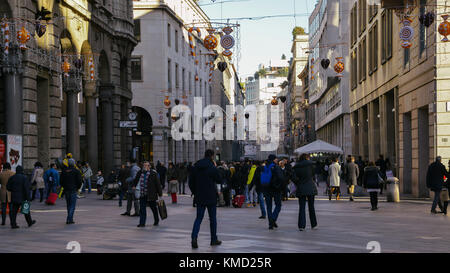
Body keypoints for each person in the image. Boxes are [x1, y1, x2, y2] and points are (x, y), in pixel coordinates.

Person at [189, 149, 222, 249]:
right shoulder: (212, 167)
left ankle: (194, 238)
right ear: (212, 156)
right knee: (212, 219)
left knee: (198, 218)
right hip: (211, 196)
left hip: (199, 196)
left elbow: (191, 182)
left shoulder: (196, 167)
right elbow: (219, 179)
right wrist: (216, 168)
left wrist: (195, 192)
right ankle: (213, 239)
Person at [132, 161, 162, 227]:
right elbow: (136, 180)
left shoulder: (153, 173)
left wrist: (160, 194)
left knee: (153, 208)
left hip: (151, 194)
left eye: (147, 165)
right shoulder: (140, 172)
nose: (145, 166)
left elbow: (158, 184)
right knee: (142, 209)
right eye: (144, 165)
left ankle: (156, 220)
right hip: (142, 194)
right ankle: (142, 223)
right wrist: (134, 185)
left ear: (150, 166)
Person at [293, 154, 318, 231]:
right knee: (311, 207)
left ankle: (301, 226)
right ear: (307, 158)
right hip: (311, 187)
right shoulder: (312, 165)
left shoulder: (296, 166)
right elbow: (313, 175)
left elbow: (294, 178)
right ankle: (314, 224)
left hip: (301, 187)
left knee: (302, 207)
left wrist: (298, 183)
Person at [261, 155, 284, 230]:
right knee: (278, 205)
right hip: (275, 189)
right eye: (276, 158)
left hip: (266, 189)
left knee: (269, 206)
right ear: (274, 159)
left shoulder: (265, 167)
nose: (277, 160)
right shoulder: (276, 167)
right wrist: (279, 187)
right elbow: (281, 178)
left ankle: (270, 223)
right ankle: (273, 219)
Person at [60, 159, 83, 224]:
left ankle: (70, 219)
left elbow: (61, 181)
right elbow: (79, 181)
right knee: (72, 205)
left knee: (68, 205)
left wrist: (64, 187)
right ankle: (69, 218)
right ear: (74, 163)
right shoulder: (76, 171)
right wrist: (77, 188)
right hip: (73, 189)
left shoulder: (64, 171)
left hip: (67, 189)